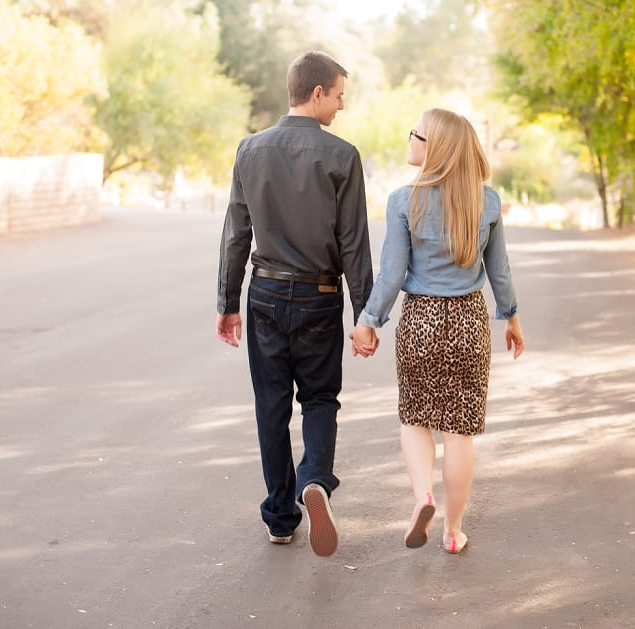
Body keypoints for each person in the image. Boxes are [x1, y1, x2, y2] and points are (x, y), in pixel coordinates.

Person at [216, 51, 376, 556]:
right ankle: (315, 481)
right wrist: (364, 315)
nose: (342, 106)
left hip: (263, 291)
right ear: (316, 94)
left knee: (271, 405)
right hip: (320, 295)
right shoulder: (341, 156)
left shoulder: (249, 149)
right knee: (320, 399)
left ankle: (281, 518)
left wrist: (227, 300)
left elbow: (236, 232)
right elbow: (353, 241)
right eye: (339, 95)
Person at [350, 108, 525, 554]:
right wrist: (512, 318)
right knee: (459, 432)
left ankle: (422, 497)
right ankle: (452, 531)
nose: (411, 140)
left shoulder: (403, 200)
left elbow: (391, 274)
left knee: (415, 419)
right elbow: (499, 270)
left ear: (436, 148)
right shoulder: (486, 201)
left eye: (417, 135)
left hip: (422, 320)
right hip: (469, 321)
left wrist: (368, 322)